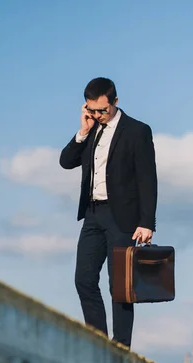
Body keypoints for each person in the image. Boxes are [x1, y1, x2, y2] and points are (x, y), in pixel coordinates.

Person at [59, 77, 158, 348]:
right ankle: (99, 343)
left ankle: (121, 347)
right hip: (92, 214)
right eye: (92, 110)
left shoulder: (137, 131)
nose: (98, 115)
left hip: (123, 218)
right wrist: (83, 130)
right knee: (84, 279)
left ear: (115, 102)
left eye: (102, 110)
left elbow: (147, 179)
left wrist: (147, 221)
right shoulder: (91, 129)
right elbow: (66, 161)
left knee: (120, 286)